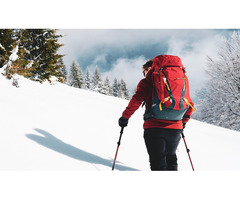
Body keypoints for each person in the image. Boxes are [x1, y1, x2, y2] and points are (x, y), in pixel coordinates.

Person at [118, 59, 194, 171]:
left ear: (149, 68)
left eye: (144, 71)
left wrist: (125, 117)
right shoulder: (181, 79)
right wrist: (183, 122)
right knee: (171, 158)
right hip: (175, 128)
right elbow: (188, 102)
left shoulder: (147, 81)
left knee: (158, 162)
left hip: (154, 127)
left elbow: (136, 100)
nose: (144, 74)